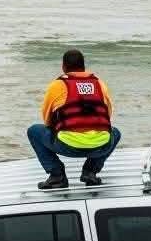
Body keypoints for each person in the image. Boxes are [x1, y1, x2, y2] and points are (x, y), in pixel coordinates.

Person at [27, 48, 121, 190]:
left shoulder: (57, 85)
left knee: (34, 131)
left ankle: (56, 175)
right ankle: (90, 172)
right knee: (115, 133)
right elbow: (107, 115)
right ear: (84, 67)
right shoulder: (100, 84)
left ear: (64, 67)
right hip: (100, 147)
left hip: (67, 146)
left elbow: (47, 120)